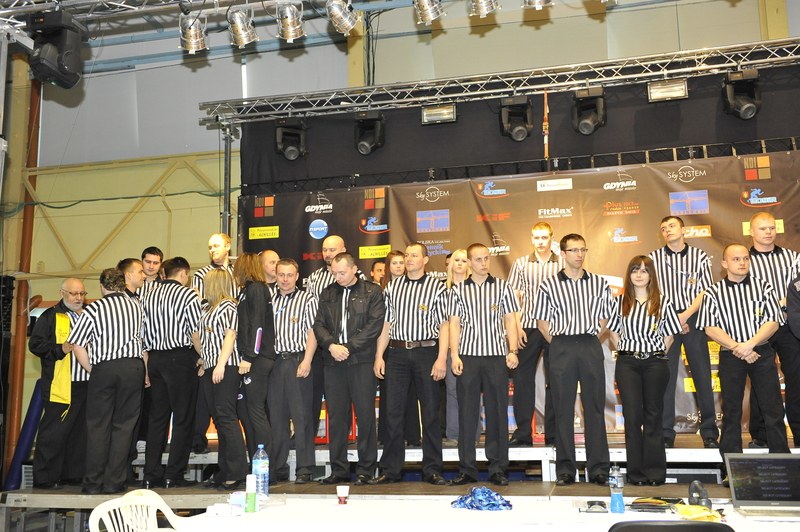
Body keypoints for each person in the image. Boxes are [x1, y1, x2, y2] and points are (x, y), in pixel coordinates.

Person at [696, 244, 789, 470]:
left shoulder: (764, 287)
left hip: (761, 351)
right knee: (731, 410)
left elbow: (773, 321)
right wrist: (737, 347)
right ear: (724, 263)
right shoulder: (713, 292)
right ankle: (731, 467)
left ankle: (782, 463)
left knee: (773, 408)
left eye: (745, 258)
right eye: (736, 259)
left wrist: (749, 344)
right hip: (730, 354)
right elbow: (710, 327)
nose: (742, 262)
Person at [534, 233, 613, 486]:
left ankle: (598, 468)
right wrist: (560, 343)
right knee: (562, 409)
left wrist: (588, 339)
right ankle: (566, 469)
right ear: (563, 254)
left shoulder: (599, 283)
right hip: (561, 346)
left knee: (595, 407)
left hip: (590, 344)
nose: (579, 255)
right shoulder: (548, 285)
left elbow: (605, 320)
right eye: (574, 250)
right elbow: (542, 323)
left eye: (582, 250)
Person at [373, 243, 450, 485]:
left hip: (426, 351)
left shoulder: (437, 287)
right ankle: (391, 470)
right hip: (396, 353)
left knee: (430, 412)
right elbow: (386, 325)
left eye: (414, 255)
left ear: (425, 260)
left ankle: (432, 470)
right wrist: (379, 355)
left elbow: (444, 325)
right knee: (393, 412)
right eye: (406, 255)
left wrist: (441, 357)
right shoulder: (393, 287)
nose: (408, 259)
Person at [68, 268, 145, 495]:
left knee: (98, 425)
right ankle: (114, 481)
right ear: (122, 284)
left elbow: (77, 345)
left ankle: (93, 482)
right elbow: (144, 343)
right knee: (124, 426)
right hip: (132, 367)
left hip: (104, 368)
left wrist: (92, 369)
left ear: (102, 287)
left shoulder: (93, 309)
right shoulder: (137, 306)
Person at [450, 243, 519, 487]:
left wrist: (512, 350)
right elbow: (454, 324)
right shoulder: (458, 290)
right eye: (478, 259)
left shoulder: (503, 286)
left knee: (497, 412)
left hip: (496, 357)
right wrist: (455, 355)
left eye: (486, 258)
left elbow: (510, 320)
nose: (483, 263)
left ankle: (498, 468)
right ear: (469, 262)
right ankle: (467, 468)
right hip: (468, 357)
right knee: (467, 414)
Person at [608, 256, 681, 486]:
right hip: (628, 363)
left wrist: (653, 354)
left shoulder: (663, 302)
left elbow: (669, 336)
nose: (639, 275)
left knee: (653, 416)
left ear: (651, 275)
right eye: (634, 270)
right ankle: (636, 474)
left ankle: (655, 473)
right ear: (629, 275)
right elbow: (614, 334)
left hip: (655, 364)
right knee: (632, 417)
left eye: (644, 270)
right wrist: (628, 352)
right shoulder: (619, 302)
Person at [313, 252, 385, 485]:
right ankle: (339, 469)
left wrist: (349, 347)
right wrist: (331, 345)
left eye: (342, 272)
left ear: (354, 269)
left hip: (360, 361)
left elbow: (374, 326)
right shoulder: (328, 292)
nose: (338, 277)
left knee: (365, 415)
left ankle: (366, 469)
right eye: (334, 273)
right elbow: (318, 325)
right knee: (336, 417)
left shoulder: (372, 291)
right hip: (333, 362)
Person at [649, 216, 719, 449]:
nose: (667, 230)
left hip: (693, 318)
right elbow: (652, 291)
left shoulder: (699, 256)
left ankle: (709, 431)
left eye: (671, 226)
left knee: (702, 375)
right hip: (665, 319)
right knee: (665, 377)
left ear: (683, 230)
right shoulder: (653, 258)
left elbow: (705, 291)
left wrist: (685, 316)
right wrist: (673, 318)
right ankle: (666, 432)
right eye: (663, 228)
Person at [140, 257, 203, 489]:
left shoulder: (148, 295)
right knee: (183, 418)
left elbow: (142, 334)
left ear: (164, 273)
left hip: (155, 358)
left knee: (158, 418)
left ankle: (150, 474)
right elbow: (195, 332)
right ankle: (173, 474)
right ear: (184, 274)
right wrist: (204, 356)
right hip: (180, 358)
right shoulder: (188, 295)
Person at [29, 278, 90, 489]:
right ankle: (45, 478)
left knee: (80, 432)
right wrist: (59, 349)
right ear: (62, 293)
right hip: (61, 384)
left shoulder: (90, 315)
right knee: (54, 432)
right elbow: (35, 344)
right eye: (74, 293)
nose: (78, 298)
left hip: (86, 383)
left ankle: (72, 475)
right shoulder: (50, 316)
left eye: (82, 293)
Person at [747, 212, 800, 448]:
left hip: (789, 326)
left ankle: (799, 434)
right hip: (759, 328)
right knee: (761, 382)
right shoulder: (744, 259)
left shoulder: (793, 257)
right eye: (762, 228)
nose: (768, 232)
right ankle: (761, 437)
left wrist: (785, 305)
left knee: (797, 380)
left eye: (771, 228)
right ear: (751, 231)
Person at [306, 235, 367, 441]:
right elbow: (315, 318)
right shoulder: (315, 278)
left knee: (357, 403)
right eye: (324, 250)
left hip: (354, 351)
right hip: (323, 347)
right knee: (324, 399)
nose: (327, 253)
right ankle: (312, 436)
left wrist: (347, 346)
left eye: (332, 249)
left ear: (343, 249)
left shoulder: (361, 280)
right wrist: (330, 344)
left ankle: (350, 439)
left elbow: (366, 320)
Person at [507, 221, 561, 447]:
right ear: (531, 239)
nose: (540, 241)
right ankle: (522, 434)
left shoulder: (562, 263)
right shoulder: (521, 263)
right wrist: (517, 326)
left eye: (544, 237)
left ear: (551, 238)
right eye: (536, 237)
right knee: (522, 380)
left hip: (555, 328)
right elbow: (513, 298)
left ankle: (554, 434)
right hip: (527, 327)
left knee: (556, 381)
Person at [195, 269, 248, 491]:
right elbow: (204, 337)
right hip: (210, 366)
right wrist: (204, 361)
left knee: (226, 417)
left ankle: (236, 472)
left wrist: (220, 364)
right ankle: (224, 470)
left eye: (206, 283)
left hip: (225, 366)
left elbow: (230, 335)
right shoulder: (208, 307)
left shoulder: (227, 306)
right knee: (219, 419)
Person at [269, 259, 319, 484]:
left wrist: (307, 360)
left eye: (290, 275)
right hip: (275, 363)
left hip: (298, 359)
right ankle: (278, 467)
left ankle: (304, 467)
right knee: (276, 417)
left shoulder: (307, 299)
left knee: (302, 416)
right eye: (281, 275)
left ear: (297, 276)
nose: (285, 279)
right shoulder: (269, 300)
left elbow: (312, 332)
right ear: (276, 275)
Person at [191, 233, 235, 454]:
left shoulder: (236, 274)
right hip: (209, 352)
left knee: (227, 414)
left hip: (231, 356)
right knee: (214, 409)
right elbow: (199, 315)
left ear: (228, 246)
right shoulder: (201, 274)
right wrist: (204, 356)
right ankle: (203, 445)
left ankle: (235, 462)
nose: (212, 250)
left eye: (216, 245)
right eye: (209, 247)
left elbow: (231, 331)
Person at [234, 252, 276, 464]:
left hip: (257, 359)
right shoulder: (246, 290)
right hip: (249, 358)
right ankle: (255, 461)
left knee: (256, 411)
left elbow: (258, 326)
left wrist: (250, 356)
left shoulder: (257, 289)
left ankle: (265, 465)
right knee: (246, 411)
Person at [377, 249, 421, 446]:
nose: (398, 266)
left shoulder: (414, 287)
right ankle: (388, 436)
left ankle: (411, 435)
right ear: (388, 267)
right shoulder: (381, 290)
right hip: (388, 344)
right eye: (394, 263)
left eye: (401, 262)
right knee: (390, 394)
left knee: (410, 392)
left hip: (410, 345)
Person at [443, 248, 474, 446]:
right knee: (452, 390)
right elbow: (442, 322)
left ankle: (472, 434)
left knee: (472, 391)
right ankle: (453, 434)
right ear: (451, 264)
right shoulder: (442, 289)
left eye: (464, 260)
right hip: (449, 348)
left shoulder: (476, 287)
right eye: (457, 260)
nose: (460, 264)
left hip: (474, 346)